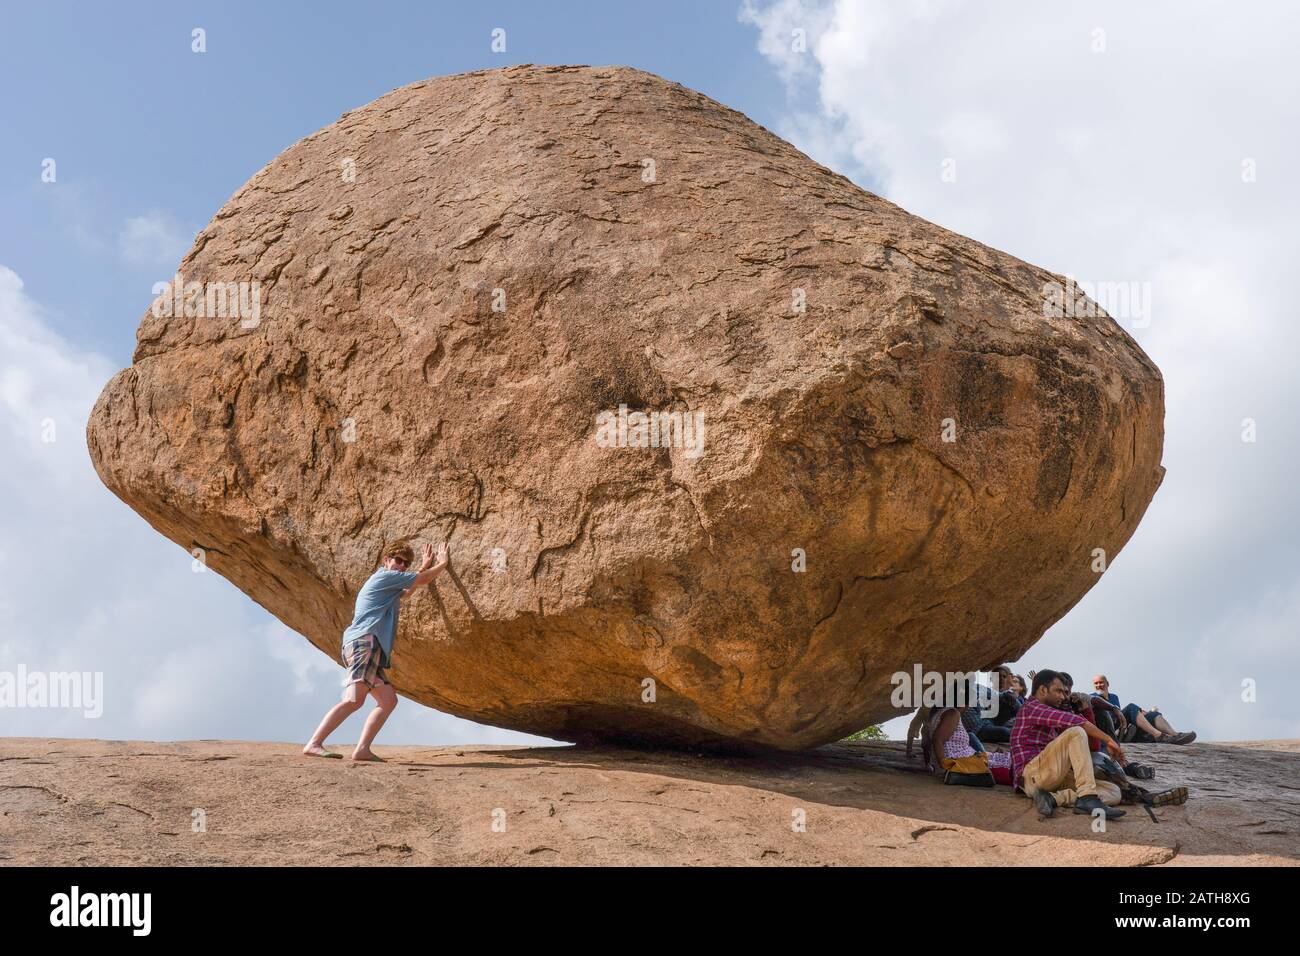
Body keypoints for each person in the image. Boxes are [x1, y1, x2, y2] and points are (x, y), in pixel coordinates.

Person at [303, 539, 450, 762]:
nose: (401, 566)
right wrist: (443, 563)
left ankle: (362, 749)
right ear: (386, 560)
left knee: (388, 700)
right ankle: (314, 743)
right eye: (397, 560)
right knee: (354, 699)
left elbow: (408, 591)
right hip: (365, 642)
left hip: (371, 646)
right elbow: (423, 580)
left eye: (405, 563)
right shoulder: (383, 576)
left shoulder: (389, 585)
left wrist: (422, 566)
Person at [1010, 669, 1127, 820]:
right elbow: (1075, 722)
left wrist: (1085, 709)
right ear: (1043, 690)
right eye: (1058, 691)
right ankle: (1087, 797)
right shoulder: (1031, 707)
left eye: (1065, 692)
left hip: (1051, 777)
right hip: (1032, 775)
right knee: (1076, 731)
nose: (1063, 696)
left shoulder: (1051, 713)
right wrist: (1109, 740)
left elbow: (1093, 746)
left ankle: (1053, 798)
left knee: (1113, 791)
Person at [1092, 674, 1196, 745]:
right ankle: (1159, 736)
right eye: (1096, 683)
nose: (1098, 685)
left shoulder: (1114, 697)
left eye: (1101, 682)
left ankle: (1175, 735)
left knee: (1153, 715)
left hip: (1121, 726)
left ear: (1107, 683)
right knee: (1131, 707)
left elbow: (1119, 714)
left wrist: (1139, 713)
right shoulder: (1093, 698)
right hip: (1109, 730)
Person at [929, 704, 1014, 785]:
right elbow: (937, 740)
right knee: (1010, 766)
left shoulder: (944, 713)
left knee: (1007, 758)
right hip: (962, 762)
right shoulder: (952, 714)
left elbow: (928, 744)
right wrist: (945, 767)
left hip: (968, 757)